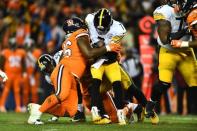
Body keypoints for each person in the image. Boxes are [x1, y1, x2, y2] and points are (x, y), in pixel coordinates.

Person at [27, 17, 121, 125]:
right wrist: (108, 48)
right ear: (78, 26)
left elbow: (83, 57)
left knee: (71, 110)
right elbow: (88, 53)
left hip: (71, 74)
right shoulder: (81, 33)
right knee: (61, 95)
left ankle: (38, 107)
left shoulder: (68, 41)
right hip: (66, 70)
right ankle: (36, 115)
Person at [85, 8, 159, 125]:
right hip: (97, 62)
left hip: (110, 61)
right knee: (93, 90)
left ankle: (147, 108)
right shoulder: (89, 19)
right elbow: (100, 46)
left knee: (130, 87)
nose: (101, 32)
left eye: (104, 29)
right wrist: (101, 47)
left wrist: (101, 48)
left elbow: (108, 51)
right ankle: (103, 113)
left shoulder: (118, 29)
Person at [150, 0, 197, 115]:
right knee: (164, 83)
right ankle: (151, 103)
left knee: (195, 83)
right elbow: (165, 39)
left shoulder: (193, 13)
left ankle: (193, 112)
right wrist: (186, 30)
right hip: (168, 50)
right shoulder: (165, 12)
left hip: (185, 51)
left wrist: (184, 43)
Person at [0, 38, 26, 112]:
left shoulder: (21, 52)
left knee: (17, 90)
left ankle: (18, 107)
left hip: (17, 74)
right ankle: (1, 106)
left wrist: (24, 72)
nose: (13, 46)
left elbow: (23, 63)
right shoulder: (6, 52)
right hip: (8, 74)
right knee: (6, 90)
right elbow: (1, 63)